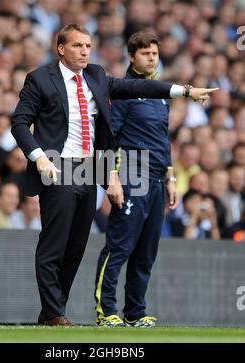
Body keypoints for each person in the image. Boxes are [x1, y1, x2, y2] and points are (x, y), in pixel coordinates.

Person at [11, 24, 217, 327]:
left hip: (89, 169)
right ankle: (55, 313)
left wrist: (184, 91)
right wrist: (39, 157)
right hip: (57, 166)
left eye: (88, 46)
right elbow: (19, 123)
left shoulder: (95, 75)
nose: (84, 51)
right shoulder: (41, 78)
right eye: (78, 46)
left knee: (77, 245)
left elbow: (138, 87)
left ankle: (53, 311)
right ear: (61, 49)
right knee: (54, 245)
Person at [94, 32, 180, 327]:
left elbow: (162, 139)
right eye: (145, 53)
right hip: (133, 172)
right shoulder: (124, 91)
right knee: (119, 247)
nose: (151, 57)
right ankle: (106, 311)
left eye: (154, 53)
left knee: (146, 252)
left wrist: (171, 177)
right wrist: (112, 178)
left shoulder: (160, 95)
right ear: (131, 57)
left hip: (157, 178)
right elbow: (108, 136)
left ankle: (135, 311)